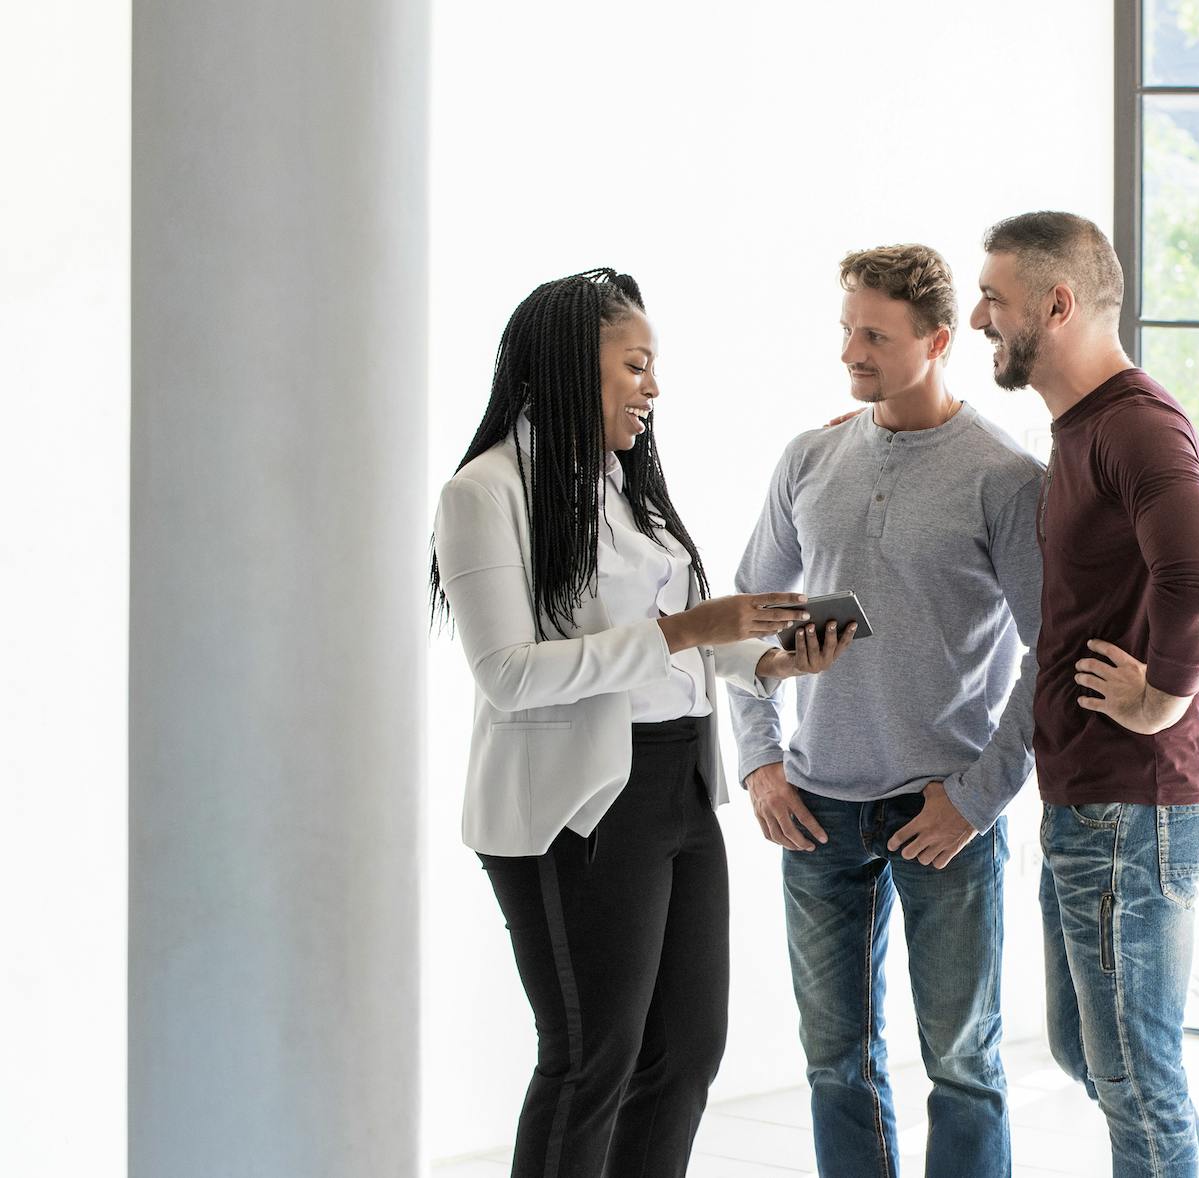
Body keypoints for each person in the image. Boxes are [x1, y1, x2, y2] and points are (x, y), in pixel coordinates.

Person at [430, 268, 853, 1178]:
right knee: (591, 1060)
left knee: (686, 1053)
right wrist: (682, 632)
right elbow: (506, 675)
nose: (653, 387)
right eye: (635, 365)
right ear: (569, 370)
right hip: (574, 809)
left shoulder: (627, 486)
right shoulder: (485, 492)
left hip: (678, 787)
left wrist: (773, 658)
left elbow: (692, 645)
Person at [729, 244, 1043, 1178]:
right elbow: (741, 618)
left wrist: (978, 798)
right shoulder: (810, 456)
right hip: (814, 812)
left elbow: (1047, 651)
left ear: (938, 339)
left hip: (939, 814)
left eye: (875, 334)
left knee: (963, 1064)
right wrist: (759, 758)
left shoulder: (1004, 476)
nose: (851, 353)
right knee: (836, 1065)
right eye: (847, 330)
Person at [971, 212, 1199, 1177]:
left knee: (1135, 1079)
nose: (981, 314)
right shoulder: (1081, 431)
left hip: (1137, 804)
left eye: (995, 297)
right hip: (1091, 803)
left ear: (1058, 302)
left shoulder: (1134, 423)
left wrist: (1162, 696)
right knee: (1100, 1060)